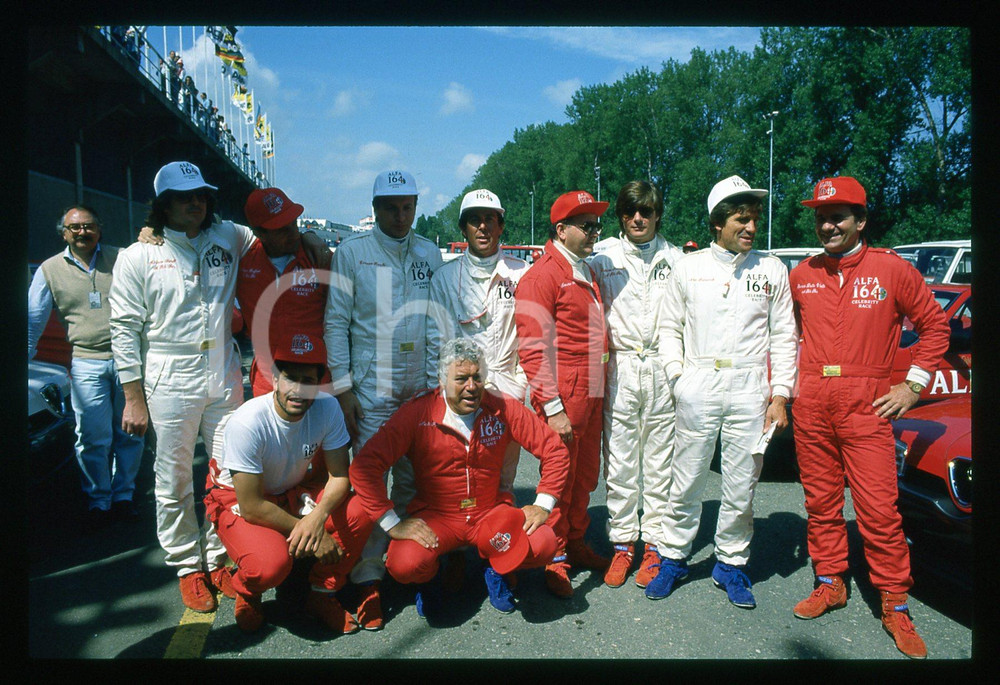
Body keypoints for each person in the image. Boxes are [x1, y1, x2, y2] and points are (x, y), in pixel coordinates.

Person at [789, 176, 949, 659]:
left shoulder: (891, 270)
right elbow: (782, 336)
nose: (828, 223)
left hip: (867, 404)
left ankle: (895, 603)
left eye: (838, 215)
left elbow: (935, 325)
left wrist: (912, 385)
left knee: (879, 510)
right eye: (821, 215)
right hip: (813, 401)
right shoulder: (801, 275)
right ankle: (830, 580)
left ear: (861, 220)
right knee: (820, 503)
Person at [645, 175, 797, 609]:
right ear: (717, 222)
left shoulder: (771, 269)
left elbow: (785, 335)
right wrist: (678, 378)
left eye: (753, 219)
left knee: (741, 482)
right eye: (739, 219)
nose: (750, 227)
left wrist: (780, 394)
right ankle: (673, 557)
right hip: (699, 381)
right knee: (687, 477)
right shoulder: (688, 268)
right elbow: (669, 328)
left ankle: (731, 563)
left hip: (750, 387)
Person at [110, 161, 254, 613]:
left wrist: (307, 236)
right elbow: (123, 328)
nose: (196, 202)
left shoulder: (228, 236)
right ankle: (187, 565)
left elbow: (269, 231)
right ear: (163, 204)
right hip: (168, 371)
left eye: (201, 195)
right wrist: (133, 397)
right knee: (172, 477)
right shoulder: (137, 256)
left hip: (224, 367)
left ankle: (217, 558)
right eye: (184, 196)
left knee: (227, 471)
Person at [349, 338, 570, 619]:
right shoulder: (418, 413)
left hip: (488, 515)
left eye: (477, 377)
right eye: (461, 378)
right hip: (438, 519)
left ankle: (495, 565)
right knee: (404, 563)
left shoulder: (501, 408)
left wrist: (543, 505)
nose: (471, 386)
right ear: (442, 381)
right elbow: (363, 467)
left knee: (543, 542)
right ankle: (429, 579)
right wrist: (392, 524)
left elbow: (555, 450)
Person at [323, 169, 443, 629]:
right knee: (371, 484)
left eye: (407, 206)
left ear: (416, 206)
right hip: (372, 391)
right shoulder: (352, 253)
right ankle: (368, 576)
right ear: (374, 209)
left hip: (421, 387)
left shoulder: (429, 252)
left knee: (417, 481)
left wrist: (437, 389)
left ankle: (413, 567)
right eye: (391, 207)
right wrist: (344, 389)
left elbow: (436, 322)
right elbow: (335, 323)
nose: (400, 215)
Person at [203, 333, 376, 633]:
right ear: (274, 379)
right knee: (270, 565)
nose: (298, 390)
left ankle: (322, 591)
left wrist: (317, 519)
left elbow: (339, 477)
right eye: (290, 379)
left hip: (289, 492)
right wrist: (307, 530)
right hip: (241, 500)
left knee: (362, 509)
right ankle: (247, 587)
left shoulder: (327, 407)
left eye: (308, 380)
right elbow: (252, 506)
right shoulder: (247, 422)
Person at [514, 190, 610, 598]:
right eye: (586, 226)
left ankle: (574, 541)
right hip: (566, 395)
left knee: (586, 476)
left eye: (595, 226)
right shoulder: (542, 276)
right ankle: (554, 558)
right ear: (561, 230)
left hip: (591, 388)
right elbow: (532, 348)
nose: (594, 233)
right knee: (559, 478)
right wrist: (552, 409)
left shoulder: (583, 268)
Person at [589, 181, 684, 589]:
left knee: (660, 463)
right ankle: (623, 544)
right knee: (621, 462)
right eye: (630, 213)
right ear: (622, 217)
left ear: (658, 214)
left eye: (646, 211)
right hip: (621, 365)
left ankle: (655, 547)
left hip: (663, 363)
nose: (638, 219)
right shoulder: (603, 257)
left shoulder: (679, 259)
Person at [28, 205, 145, 530]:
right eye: (74, 227)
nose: (82, 232)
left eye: (89, 226)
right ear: (64, 233)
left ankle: (124, 496)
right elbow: (32, 321)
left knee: (131, 432)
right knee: (92, 436)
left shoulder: (123, 259)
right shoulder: (49, 270)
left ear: (99, 229)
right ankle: (99, 501)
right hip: (86, 364)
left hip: (130, 362)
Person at [237, 187, 330, 397]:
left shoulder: (319, 258)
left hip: (316, 379)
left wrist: (311, 235)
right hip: (266, 381)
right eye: (282, 229)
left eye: (294, 224)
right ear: (259, 232)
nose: (294, 234)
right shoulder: (242, 261)